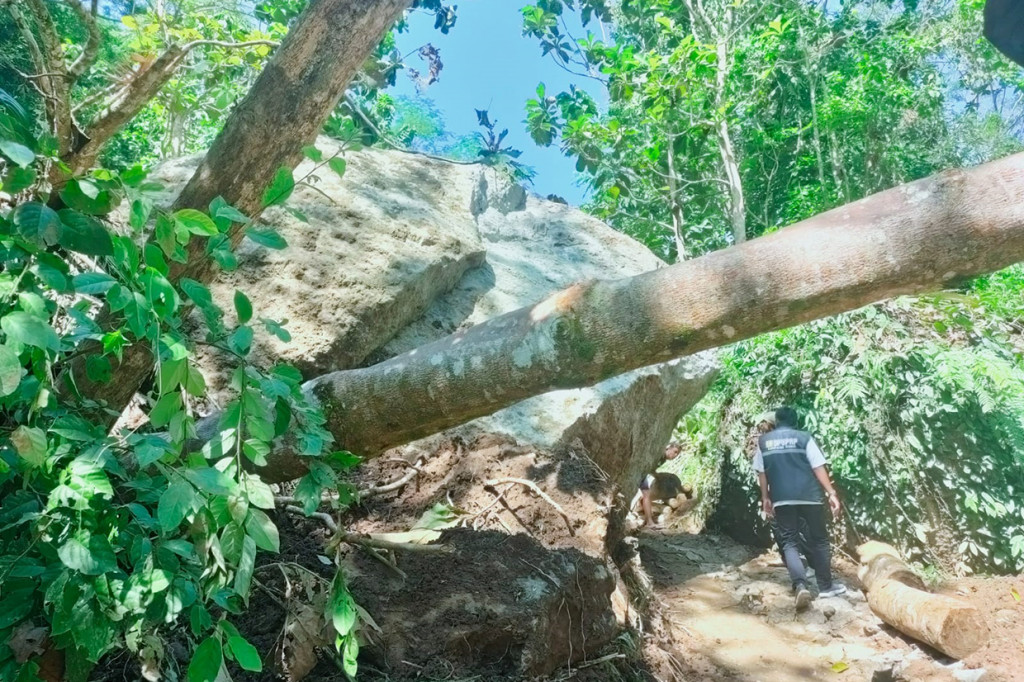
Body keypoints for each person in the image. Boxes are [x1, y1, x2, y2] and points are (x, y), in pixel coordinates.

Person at [753, 406, 846, 610]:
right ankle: (825, 586)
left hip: (782, 498)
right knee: (820, 539)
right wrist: (831, 493)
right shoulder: (804, 438)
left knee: (789, 542)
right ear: (795, 421)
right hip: (810, 496)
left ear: (776, 421)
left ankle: (800, 585)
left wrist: (766, 497)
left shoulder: (764, 442)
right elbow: (818, 466)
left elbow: (761, 472)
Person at [639, 443, 683, 528]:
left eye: (677, 454)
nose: (675, 455)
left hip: (645, 474)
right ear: (668, 448)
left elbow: (652, 468)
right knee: (647, 496)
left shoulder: (663, 459)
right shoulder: (660, 454)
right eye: (675, 452)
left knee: (647, 495)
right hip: (642, 473)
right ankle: (649, 522)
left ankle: (648, 520)